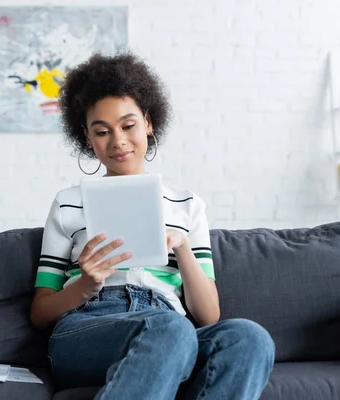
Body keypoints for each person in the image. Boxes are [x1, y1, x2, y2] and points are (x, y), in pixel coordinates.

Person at [30, 52, 275, 400]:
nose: (118, 141)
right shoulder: (68, 203)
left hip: (170, 328)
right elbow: (40, 313)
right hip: (88, 328)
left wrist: (182, 247)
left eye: (128, 126)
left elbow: (208, 315)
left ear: (147, 123)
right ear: (87, 138)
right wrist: (85, 284)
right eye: (102, 132)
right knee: (169, 330)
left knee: (248, 337)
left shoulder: (187, 205)